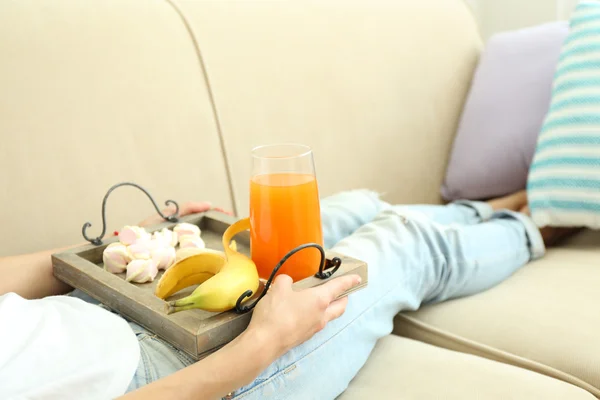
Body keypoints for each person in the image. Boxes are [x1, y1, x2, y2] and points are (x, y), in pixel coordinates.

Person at [0, 190, 576, 400]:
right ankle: (547, 219)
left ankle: (492, 206)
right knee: (404, 245)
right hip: (180, 377)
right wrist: (261, 346)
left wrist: (132, 242)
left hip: (107, 301)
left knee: (346, 209)